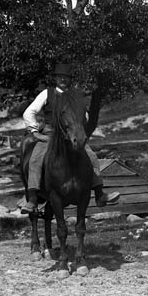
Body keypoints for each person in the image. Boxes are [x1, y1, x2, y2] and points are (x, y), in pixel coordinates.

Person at [21, 63, 120, 214]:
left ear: (69, 79)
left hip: (71, 134)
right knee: (35, 159)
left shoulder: (76, 95)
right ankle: (33, 199)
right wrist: (34, 132)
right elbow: (29, 112)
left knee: (92, 156)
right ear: (55, 78)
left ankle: (100, 194)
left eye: (66, 77)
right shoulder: (47, 94)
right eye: (60, 77)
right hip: (51, 133)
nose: (63, 79)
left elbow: (85, 115)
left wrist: (78, 127)